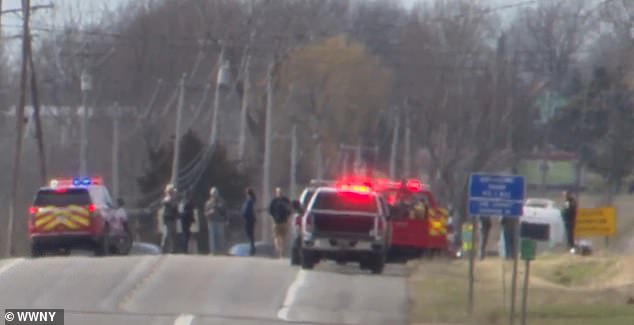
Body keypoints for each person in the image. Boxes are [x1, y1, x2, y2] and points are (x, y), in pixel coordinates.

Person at [269, 187, 292, 258]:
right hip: (283, 221)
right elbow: (290, 210)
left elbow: (270, 211)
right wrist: (288, 217)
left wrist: (273, 217)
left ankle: (279, 250)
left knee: (277, 237)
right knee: (282, 238)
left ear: (277, 193)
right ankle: (281, 252)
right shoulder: (286, 200)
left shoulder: (274, 201)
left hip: (277, 222)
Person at [204, 187, 227, 255]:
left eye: (215, 193)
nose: (214, 195)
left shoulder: (222, 202)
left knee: (220, 236)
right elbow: (205, 213)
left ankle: (220, 250)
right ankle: (213, 251)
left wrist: (226, 220)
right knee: (212, 236)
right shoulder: (208, 203)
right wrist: (209, 212)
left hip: (220, 221)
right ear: (210, 194)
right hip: (211, 221)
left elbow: (225, 212)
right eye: (213, 193)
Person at [161, 184, 179, 254]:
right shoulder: (167, 199)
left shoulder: (173, 199)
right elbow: (166, 203)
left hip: (172, 218)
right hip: (167, 218)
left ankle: (167, 248)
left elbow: (175, 207)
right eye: (170, 191)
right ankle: (168, 248)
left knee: (170, 233)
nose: (172, 192)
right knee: (167, 233)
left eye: (172, 191)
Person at [241, 187, 257, 256]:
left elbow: (252, 210)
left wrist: (253, 217)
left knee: (250, 234)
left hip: (249, 219)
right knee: (249, 234)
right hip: (248, 218)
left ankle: (252, 249)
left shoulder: (250, 200)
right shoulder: (249, 200)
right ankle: (252, 248)